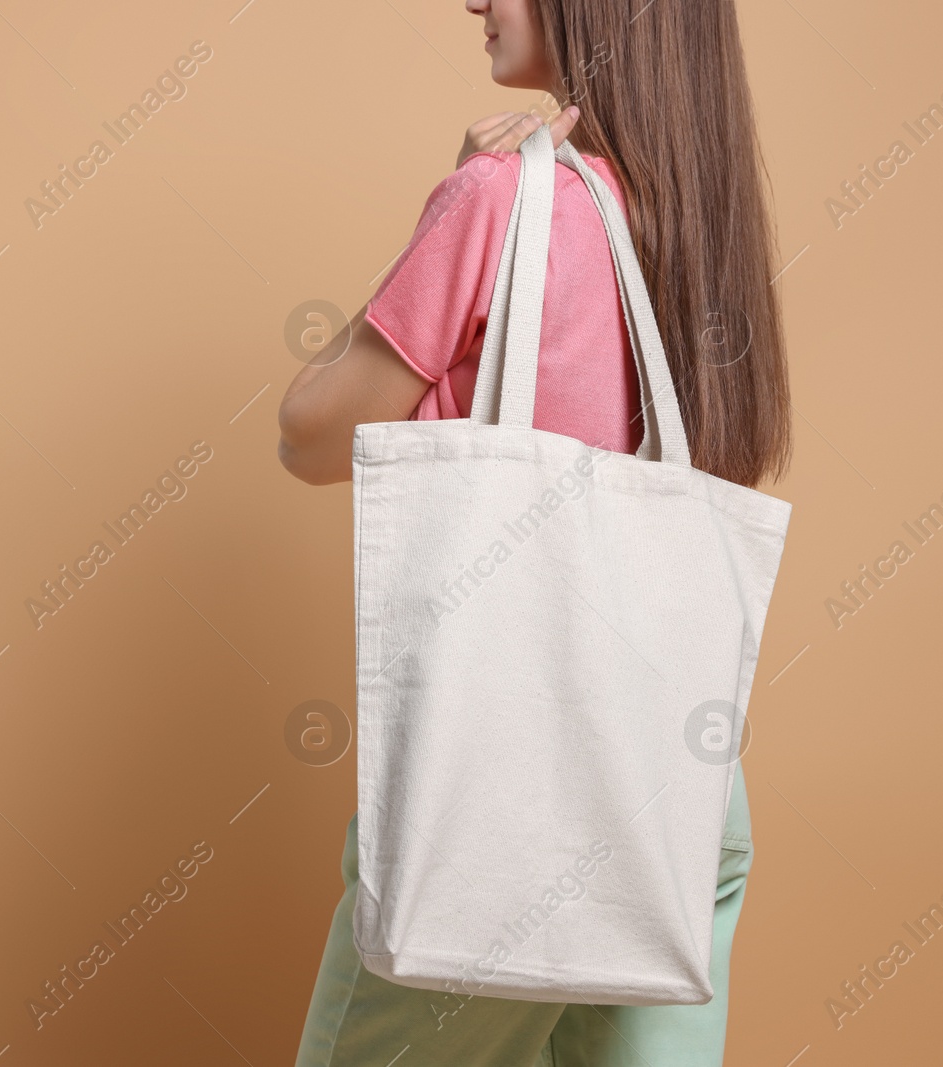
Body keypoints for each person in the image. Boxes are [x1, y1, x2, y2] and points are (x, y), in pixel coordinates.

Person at [277, 0, 791, 1061]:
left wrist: (449, 217)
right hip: (684, 800)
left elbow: (309, 434)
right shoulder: (710, 228)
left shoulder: (502, 200)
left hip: (509, 801)